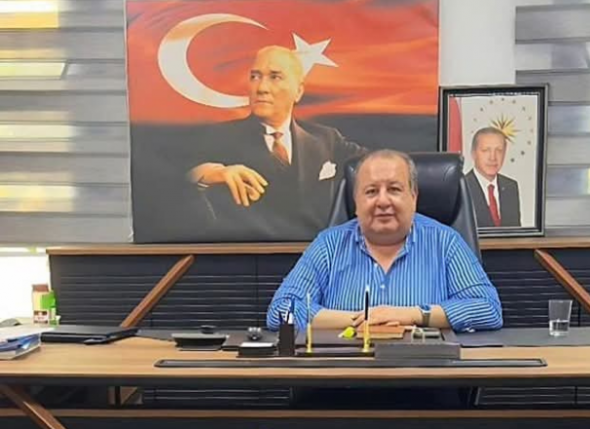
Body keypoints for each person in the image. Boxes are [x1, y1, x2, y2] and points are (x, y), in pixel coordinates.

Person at [266, 149, 503, 332]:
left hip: (424, 373)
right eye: (371, 191)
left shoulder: (445, 242)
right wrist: (359, 320)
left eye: (394, 189)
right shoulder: (329, 245)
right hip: (343, 375)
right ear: (356, 201)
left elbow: (488, 309)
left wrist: (413, 315)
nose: (382, 201)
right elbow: (280, 311)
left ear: (413, 197)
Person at [182, 45, 365, 241]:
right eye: (255, 76)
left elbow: (378, 162)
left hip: (313, 254)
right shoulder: (218, 137)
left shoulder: (326, 139)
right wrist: (209, 174)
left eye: (275, 77)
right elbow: (175, 179)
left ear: (298, 91)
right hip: (246, 254)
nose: (261, 88)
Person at [464, 127, 521, 228]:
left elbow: (515, 231)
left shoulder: (510, 186)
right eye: (486, 150)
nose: (493, 157)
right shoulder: (462, 187)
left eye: (499, 151)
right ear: (473, 153)